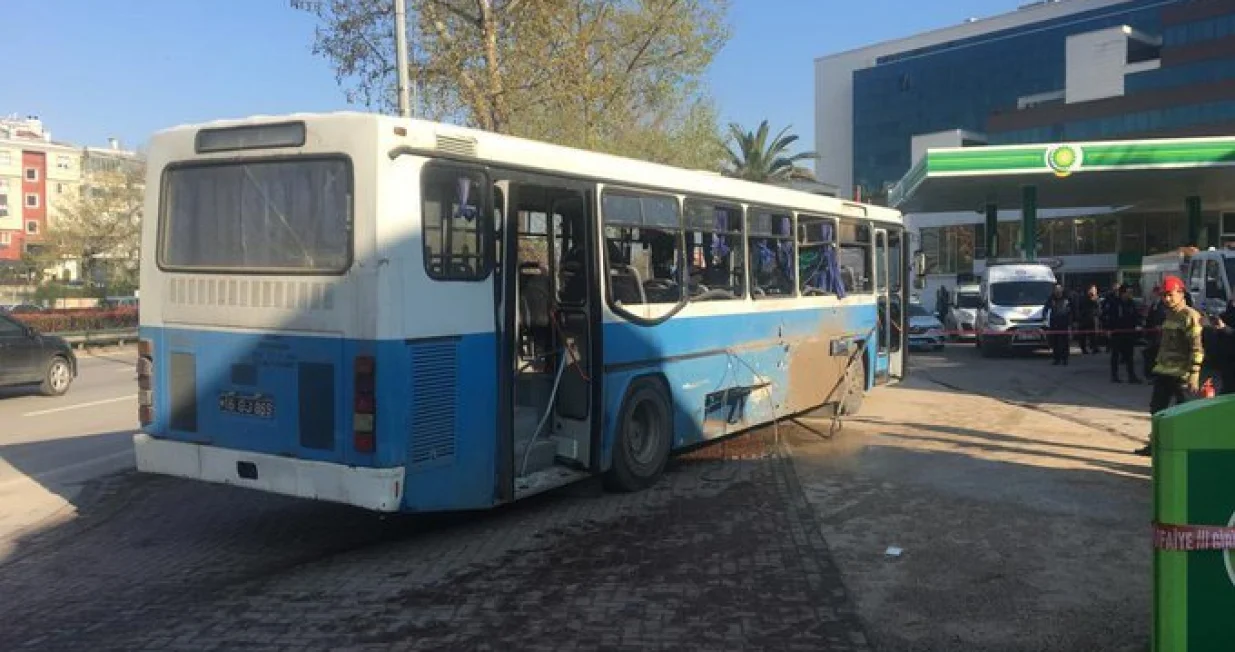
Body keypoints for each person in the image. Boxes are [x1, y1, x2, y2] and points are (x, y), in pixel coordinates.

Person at [1133, 275, 1205, 457]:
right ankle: (1155, 445)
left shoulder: (1190, 316)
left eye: (1170, 294)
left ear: (1181, 293)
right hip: (1164, 371)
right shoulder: (1169, 315)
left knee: (1186, 413)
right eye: (1164, 295)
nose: (1166, 299)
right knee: (1157, 411)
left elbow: (1197, 348)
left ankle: (1189, 448)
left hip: (1182, 374)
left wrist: (1194, 373)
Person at [1104, 283, 1142, 383]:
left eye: (1131, 292)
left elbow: (1136, 316)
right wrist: (1108, 329)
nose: (1130, 294)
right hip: (1117, 333)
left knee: (1129, 356)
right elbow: (1109, 317)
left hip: (1129, 333)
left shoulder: (1131, 303)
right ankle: (1114, 376)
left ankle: (1131, 376)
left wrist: (1138, 324)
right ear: (1122, 293)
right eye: (1128, 292)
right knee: (1115, 355)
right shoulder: (1114, 303)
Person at [1043, 283, 1073, 366]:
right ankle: (1056, 359)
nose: (1057, 291)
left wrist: (1072, 322)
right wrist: (1044, 316)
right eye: (1056, 289)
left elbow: (1072, 310)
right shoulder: (1051, 298)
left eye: (1059, 289)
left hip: (1064, 323)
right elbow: (1045, 308)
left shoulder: (1067, 298)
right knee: (1055, 342)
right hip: (1054, 323)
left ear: (1062, 290)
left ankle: (1065, 359)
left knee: (1064, 342)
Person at [1143, 286, 1166, 379]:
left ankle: (1156, 375)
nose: (1152, 295)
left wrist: (1160, 325)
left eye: (1154, 293)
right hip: (1152, 334)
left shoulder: (1163, 305)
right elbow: (1150, 318)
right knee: (1150, 354)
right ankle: (1151, 374)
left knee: (1156, 355)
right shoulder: (1154, 305)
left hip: (1159, 335)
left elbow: (1163, 317)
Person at [1076, 284, 1102, 354]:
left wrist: (1095, 300)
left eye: (1095, 290)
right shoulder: (1083, 297)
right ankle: (1083, 348)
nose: (1094, 291)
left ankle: (1095, 347)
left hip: (1094, 318)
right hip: (1084, 318)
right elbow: (1079, 307)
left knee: (1095, 334)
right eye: (1093, 290)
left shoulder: (1096, 298)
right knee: (1083, 335)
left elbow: (1099, 308)